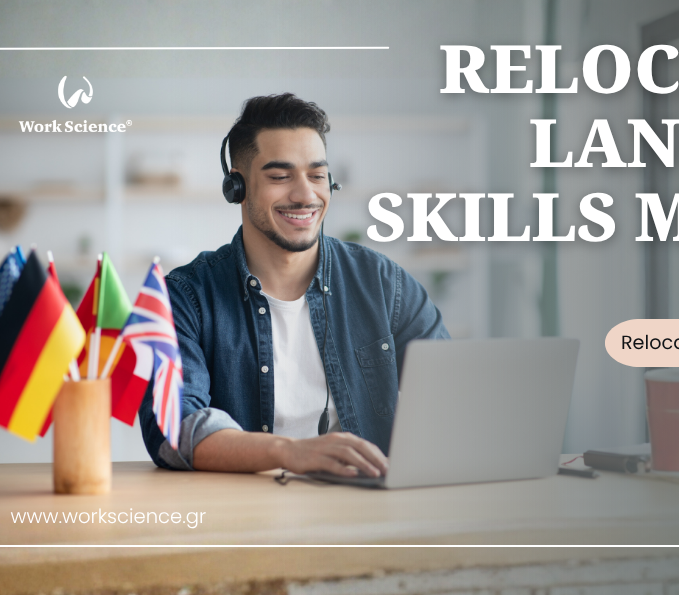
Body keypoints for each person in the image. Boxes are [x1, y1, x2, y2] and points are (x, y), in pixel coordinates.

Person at [138, 93, 449, 477]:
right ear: (237, 187)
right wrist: (289, 453)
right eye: (281, 177)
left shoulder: (384, 284)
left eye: (317, 175)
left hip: (368, 513)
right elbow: (173, 431)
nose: (306, 195)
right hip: (241, 521)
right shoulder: (185, 297)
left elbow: (453, 400)